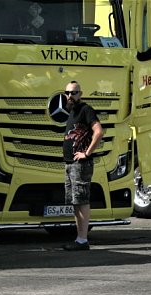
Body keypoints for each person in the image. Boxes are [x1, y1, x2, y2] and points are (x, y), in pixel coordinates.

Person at [61, 81, 104, 250]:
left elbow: (99, 132)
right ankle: (79, 238)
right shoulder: (72, 112)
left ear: (81, 94)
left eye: (74, 93)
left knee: (82, 200)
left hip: (81, 165)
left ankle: (82, 239)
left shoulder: (86, 110)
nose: (70, 96)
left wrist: (86, 153)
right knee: (75, 201)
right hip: (70, 164)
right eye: (68, 93)